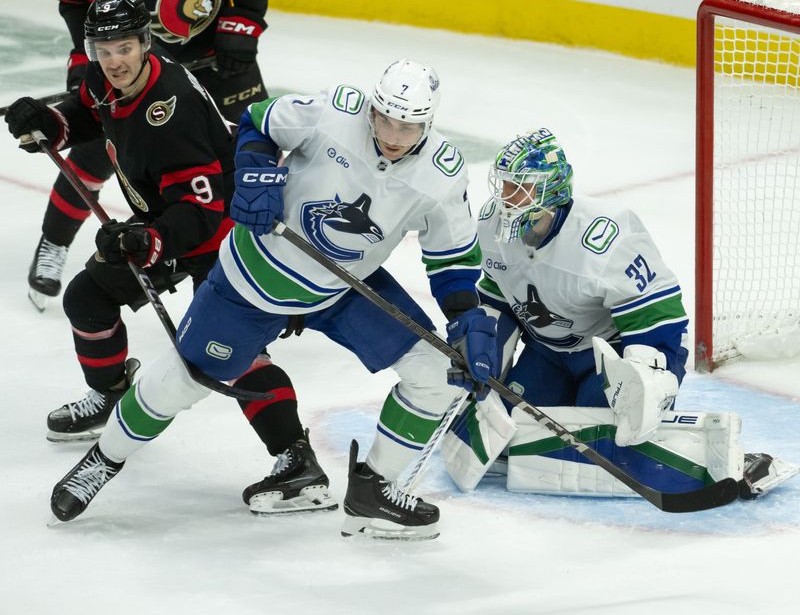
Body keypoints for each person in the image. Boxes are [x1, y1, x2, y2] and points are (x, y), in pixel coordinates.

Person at [48, 59, 499, 541]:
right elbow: (259, 123)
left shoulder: (443, 174)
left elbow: (450, 258)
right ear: (372, 105)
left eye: (407, 126)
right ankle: (104, 459)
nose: (392, 134)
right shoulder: (336, 109)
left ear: (428, 124)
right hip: (256, 278)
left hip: (342, 286)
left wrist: (466, 315)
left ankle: (373, 493)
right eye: (384, 118)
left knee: (436, 372)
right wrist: (256, 172)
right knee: (180, 382)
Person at [441, 128, 799, 500]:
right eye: (505, 186)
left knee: (604, 442)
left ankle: (741, 462)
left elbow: (660, 321)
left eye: (521, 187)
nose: (506, 198)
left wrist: (644, 381)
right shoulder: (492, 226)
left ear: (552, 189)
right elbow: (499, 299)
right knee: (506, 434)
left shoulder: (605, 238)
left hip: (611, 355)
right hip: (547, 353)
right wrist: (483, 350)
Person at [28, 0, 277, 312]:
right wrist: (88, 62)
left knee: (251, 154)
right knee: (98, 155)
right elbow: (75, 1)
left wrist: (241, 25)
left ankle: (263, 263)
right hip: (135, 69)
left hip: (218, 60)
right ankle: (54, 242)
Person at [4, 0, 237, 443]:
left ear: (145, 43)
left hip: (222, 232)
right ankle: (110, 396)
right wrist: (49, 123)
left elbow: (201, 209)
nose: (113, 61)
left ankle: (295, 458)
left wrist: (148, 240)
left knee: (234, 351)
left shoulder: (171, 108)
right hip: (170, 223)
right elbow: (89, 114)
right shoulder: (107, 79)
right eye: (103, 50)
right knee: (87, 298)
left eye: (124, 48)